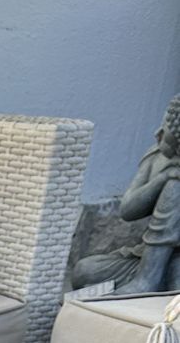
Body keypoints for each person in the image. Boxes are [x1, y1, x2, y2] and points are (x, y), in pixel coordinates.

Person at [73, 96, 180, 295]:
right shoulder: (157, 156)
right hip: (144, 257)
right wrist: (161, 179)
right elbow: (127, 210)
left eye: (166, 131)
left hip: (175, 262)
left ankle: (148, 284)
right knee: (83, 271)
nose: (158, 133)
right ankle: (149, 282)